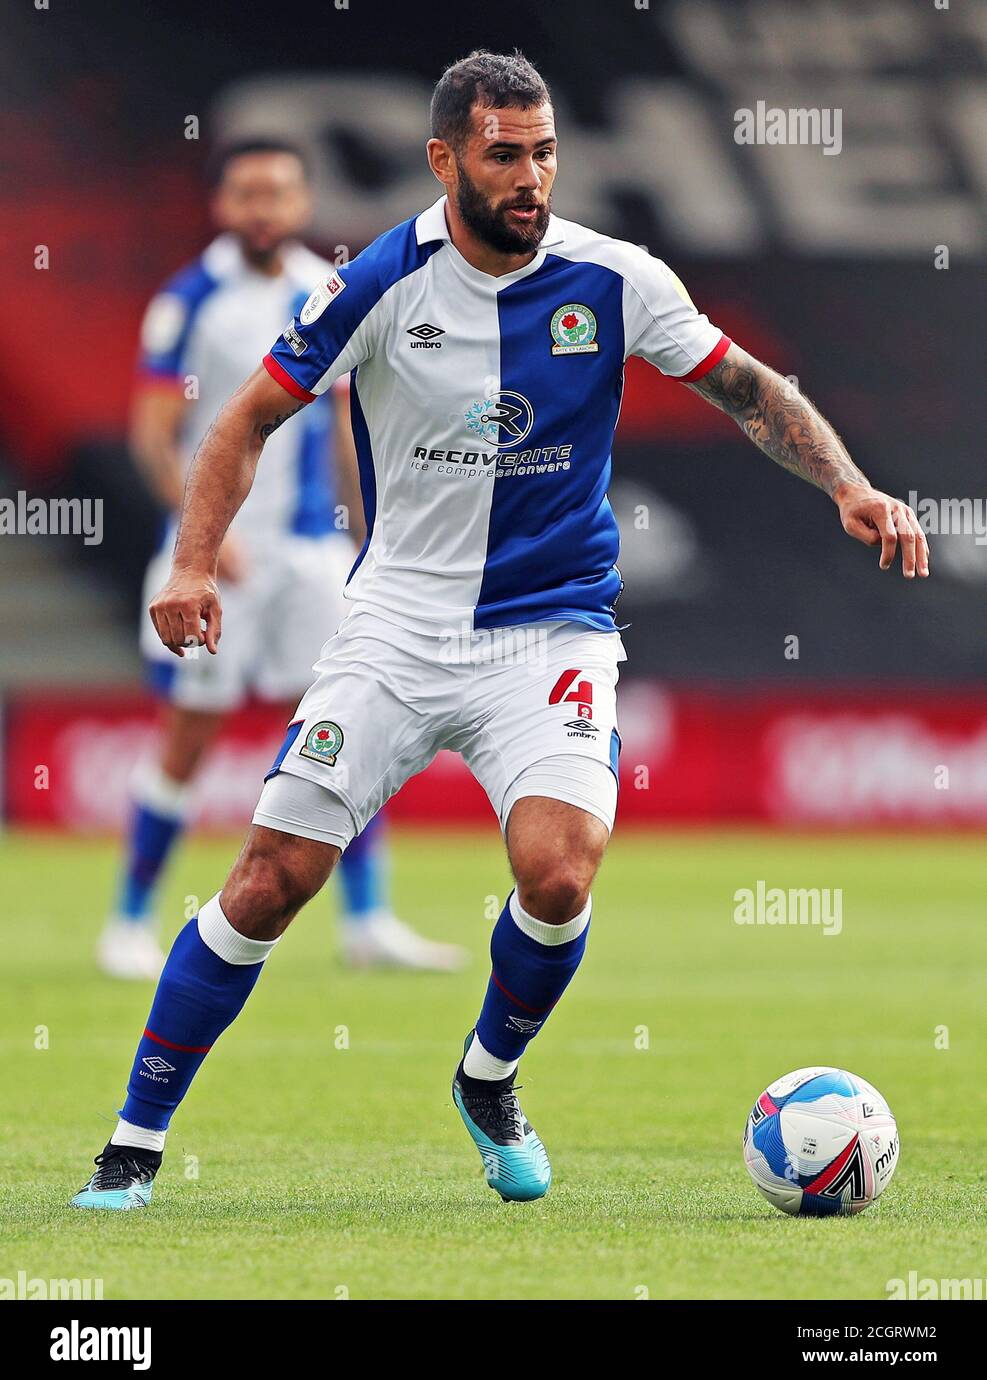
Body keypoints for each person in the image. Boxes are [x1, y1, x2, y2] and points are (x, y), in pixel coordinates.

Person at [71, 51, 929, 1210]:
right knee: (272, 878)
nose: (533, 179)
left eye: (545, 153)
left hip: (552, 631)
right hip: (395, 628)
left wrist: (851, 487)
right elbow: (242, 423)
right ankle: (133, 1144)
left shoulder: (615, 278)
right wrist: (187, 562)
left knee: (560, 873)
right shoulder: (375, 283)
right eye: (505, 156)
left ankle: (488, 1078)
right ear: (445, 162)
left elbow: (750, 387)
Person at [98, 137, 465, 981]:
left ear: (301, 205)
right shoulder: (189, 299)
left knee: (349, 729)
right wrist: (205, 539)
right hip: (214, 554)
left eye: (278, 193)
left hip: (308, 555)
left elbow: (346, 429)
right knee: (189, 735)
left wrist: (374, 539)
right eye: (246, 193)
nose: (262, 208)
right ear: (223, 205)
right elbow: (153, 435)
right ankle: (128, 920)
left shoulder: (324, 292)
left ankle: (367, 920)